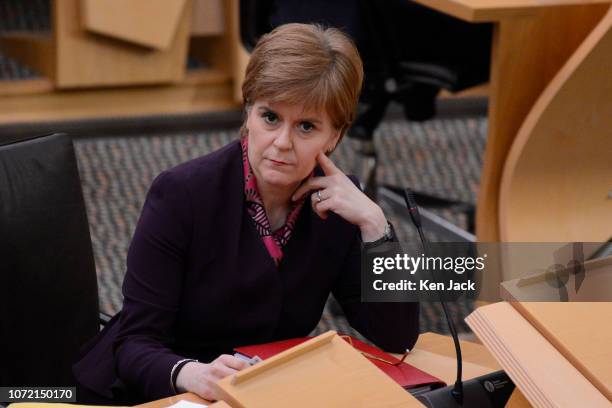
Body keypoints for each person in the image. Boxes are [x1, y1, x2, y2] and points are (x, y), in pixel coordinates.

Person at [73, 23, 419, 405]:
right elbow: (133, 343)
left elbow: (398, 337)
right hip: (159, 393)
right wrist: (193, 373)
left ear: (334, 136)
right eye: (270, 117)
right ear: (249, 112)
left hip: (261, 395)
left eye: (306, 126)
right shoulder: (181, 194)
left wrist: (376, 227)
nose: (282, 143)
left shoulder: (340, 205)